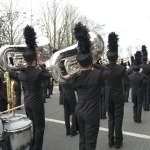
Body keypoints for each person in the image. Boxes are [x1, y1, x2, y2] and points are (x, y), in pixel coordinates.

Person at [70, 22, 110, 150]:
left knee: (82, 140)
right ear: (90, 60)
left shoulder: (75, 77)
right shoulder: (98, 74)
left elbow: (69, 82)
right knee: (91, 143)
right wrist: (95, 63)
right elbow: (108, 71)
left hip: (79, 111)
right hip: (91, 113)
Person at [18, 25, 51, 150]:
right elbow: (47, 76)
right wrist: (42, 65)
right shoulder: (37, 72)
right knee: (40, 128)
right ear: (34, 60)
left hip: (27, 101)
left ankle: (32, 146)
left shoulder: (21, 73)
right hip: (36, 102)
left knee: (32, 126)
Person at [104, 32, 126, 149]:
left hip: (108, 96)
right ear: (116, 57)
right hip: (118, 95)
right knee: (118, 119)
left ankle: (110, 141)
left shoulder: (105, 68)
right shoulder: (121, 68)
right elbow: (127, 79)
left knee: (111, 118)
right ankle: (118, 141)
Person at [60, 62, 78, 136]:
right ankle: (73, 130)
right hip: (70, 92)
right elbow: (73, 84)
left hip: (64, 92)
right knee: (74, 111)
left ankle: (67, 130)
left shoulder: (60, 74)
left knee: (66, 112)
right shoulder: (68, 74)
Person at [129, 51, 147, 123]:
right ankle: (138, 119)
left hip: (133, 91)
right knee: (139, 105)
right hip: (140, 90)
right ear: (139, 69)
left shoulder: (130, 76)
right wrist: (141, 72)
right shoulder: (142, 75)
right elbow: (146, 78)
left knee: (135, 105)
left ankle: (135, 117)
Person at [140, 45, 150, 111]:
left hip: (142, 80)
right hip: (148, 79)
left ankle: (144, 106)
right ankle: (147, 107)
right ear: (146, 60)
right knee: (148, 93)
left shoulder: (140, 66)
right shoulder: (149, 66)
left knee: (143, 93)